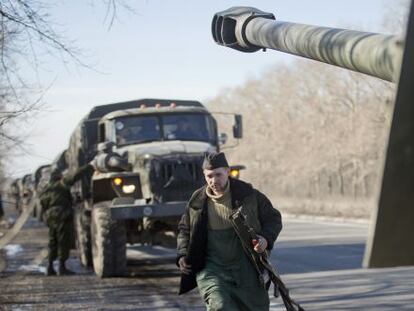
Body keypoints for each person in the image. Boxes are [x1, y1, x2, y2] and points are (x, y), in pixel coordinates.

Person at [176, 152, 282, 310]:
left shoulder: (249, 196)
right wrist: (183, 253)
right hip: (212, 269)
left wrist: (265, 239)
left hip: (247, 268)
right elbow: (185, 229)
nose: (214, 180)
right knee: (221, 306)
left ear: (227, 171)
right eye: (209, 176)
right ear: (204, 175)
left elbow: (273, 219)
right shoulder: (197, 201)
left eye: (218, 174)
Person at [40, 163, 95, 276]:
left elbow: (43, 205)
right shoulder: (62, 183)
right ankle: (62, 267)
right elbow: (75, 175)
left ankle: (49, 267)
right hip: (62, 215)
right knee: (63, 240)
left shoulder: (46, 189)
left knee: (53, 241)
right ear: (59, 176)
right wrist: (89, 166)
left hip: (50, 216)